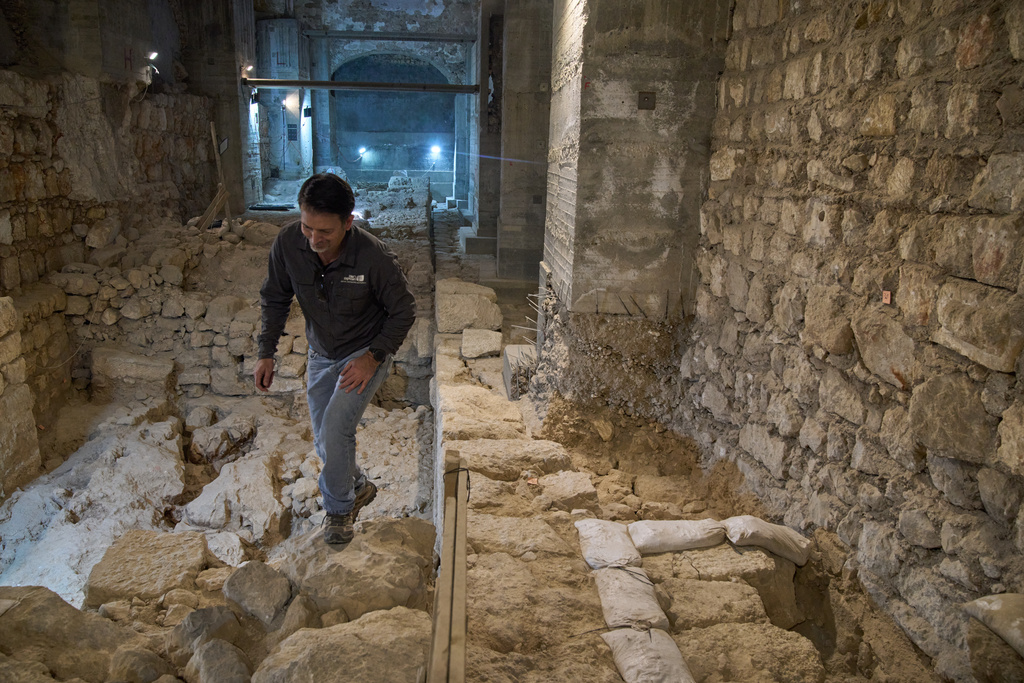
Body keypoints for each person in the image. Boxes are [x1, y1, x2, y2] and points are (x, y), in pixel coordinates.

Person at [254, 173, 415, 545]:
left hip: (363, 352)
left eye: (324, 231)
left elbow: (403, 311)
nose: (314, 239)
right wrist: (266, 352)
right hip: (321, 352)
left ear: (348, 221)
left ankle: (340, 512)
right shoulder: (288, 244)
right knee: (324, 442)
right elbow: (275, 298)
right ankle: (356, 485)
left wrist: (373, 358)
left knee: (336, 428)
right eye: (307, 227)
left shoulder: (373, 257)